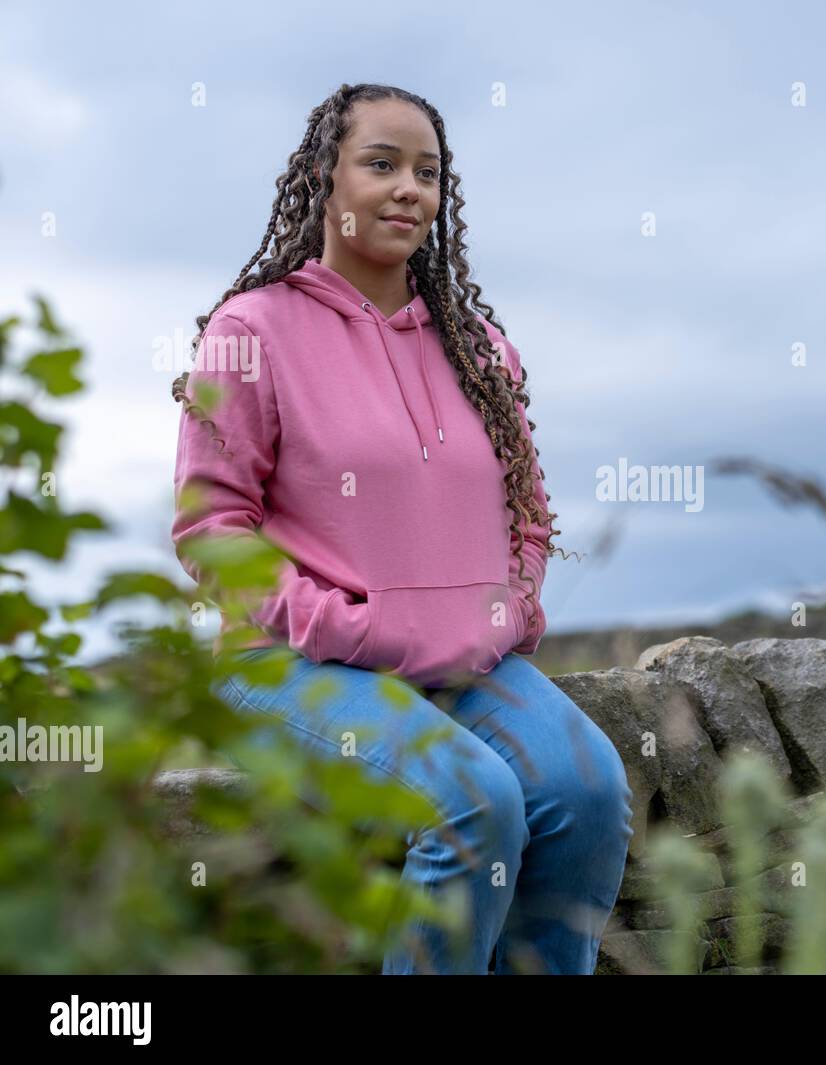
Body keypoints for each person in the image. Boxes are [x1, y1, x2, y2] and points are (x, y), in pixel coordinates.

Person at [169, 82, 633, 974]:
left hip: (467, 660)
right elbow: (211, 528)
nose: (408, 188)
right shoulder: (250, 330)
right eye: (380, 164)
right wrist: (350, 626)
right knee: (476, 800)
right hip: (298, 668)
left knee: (589, 786)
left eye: (428, 171)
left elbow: (529, 513)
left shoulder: (476, 344)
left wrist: (510, 607)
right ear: (324, 178)